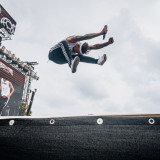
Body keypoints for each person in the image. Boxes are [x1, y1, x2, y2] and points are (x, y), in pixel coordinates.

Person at [48, 26, 114, 73]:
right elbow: (86, 36)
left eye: (79, 52)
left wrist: (108, 43)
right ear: (77, 45)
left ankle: (97, 61)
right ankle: (71, 64)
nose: (77, 52)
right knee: (63, 43)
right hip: (53, 54)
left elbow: (95, 46)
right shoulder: (73, 40)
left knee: (79, 57)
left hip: (60, 60)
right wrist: (100, 33)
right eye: (78, 51)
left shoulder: (81, 50)